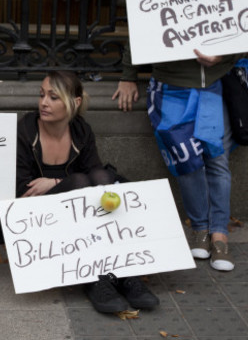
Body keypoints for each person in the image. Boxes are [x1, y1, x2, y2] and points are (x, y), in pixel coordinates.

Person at [112, 0, 239, 272]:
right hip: (171, 89)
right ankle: (199, 229)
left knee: (217, 161)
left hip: (212, 89)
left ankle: (219, 234)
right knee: (188, 164)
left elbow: (246, 35)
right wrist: (128, 75)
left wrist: (223, 54)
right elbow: (137, 29)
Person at [17, 70, 159, 313]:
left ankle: (121, 271)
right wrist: (63, 185)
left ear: (75, 102)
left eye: (53, 97)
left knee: (101, 178)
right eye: (42, 95)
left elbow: (98, 181)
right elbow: (22, 191)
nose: (43, 103)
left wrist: (54, 182)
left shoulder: (81, 130)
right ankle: (93, 277)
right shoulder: (26, 130)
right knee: (81, 183)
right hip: (36, 217)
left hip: (78, 216)